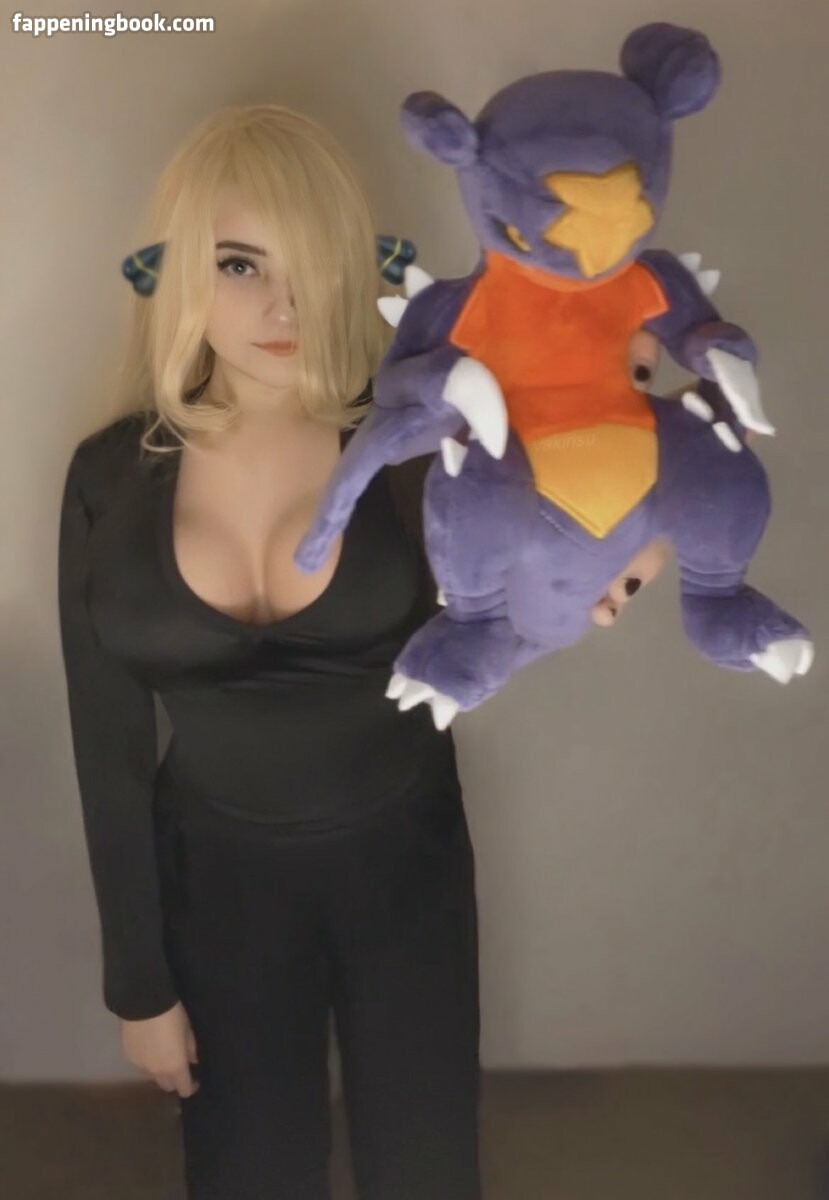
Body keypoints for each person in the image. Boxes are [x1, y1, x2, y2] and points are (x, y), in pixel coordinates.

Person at [57, 103, 671, 1200]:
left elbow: (569, 520)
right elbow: (107, 746)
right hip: (216, 885)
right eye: (239, 264)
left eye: (311, 263)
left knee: (424, 1167)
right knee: (246, 1171)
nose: (283, 305)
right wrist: (137, 985)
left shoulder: (415, 445)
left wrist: (617, 563)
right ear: (178, 269)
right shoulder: (107, 477)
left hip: (404, 866)